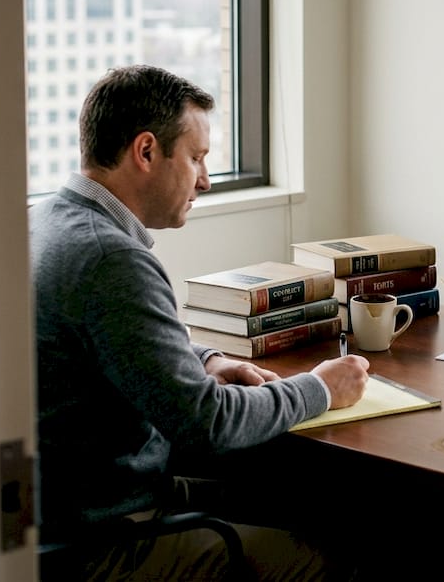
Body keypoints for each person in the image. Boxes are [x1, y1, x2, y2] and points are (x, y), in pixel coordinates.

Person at [31, 65, 370, 580]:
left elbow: (120, 347)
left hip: (65, 511)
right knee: (330, 557)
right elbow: (207, 423)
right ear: (146, 152)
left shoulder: (49, 221)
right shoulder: (110, 260)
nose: (206, 180)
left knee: (305, 502)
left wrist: (207, 359)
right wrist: (320, 390)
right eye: (196, 158)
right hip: (107, 534)